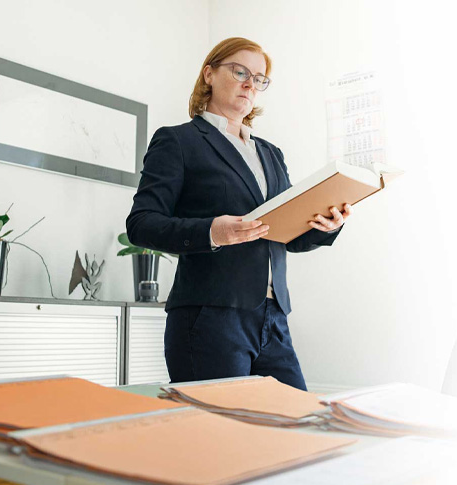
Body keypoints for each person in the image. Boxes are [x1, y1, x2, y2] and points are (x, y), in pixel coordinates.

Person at [126, 37, 352, 391]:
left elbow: (284, 234)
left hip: (273, 318)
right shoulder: (179, 141)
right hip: (210, 316)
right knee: (220, 439)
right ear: (209, 74)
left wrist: (326, 225)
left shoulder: (271, 153)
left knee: (297, 427)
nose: (251, 83)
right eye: (240, 71)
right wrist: (213, 232)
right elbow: (141, 224)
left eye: (259, 79)